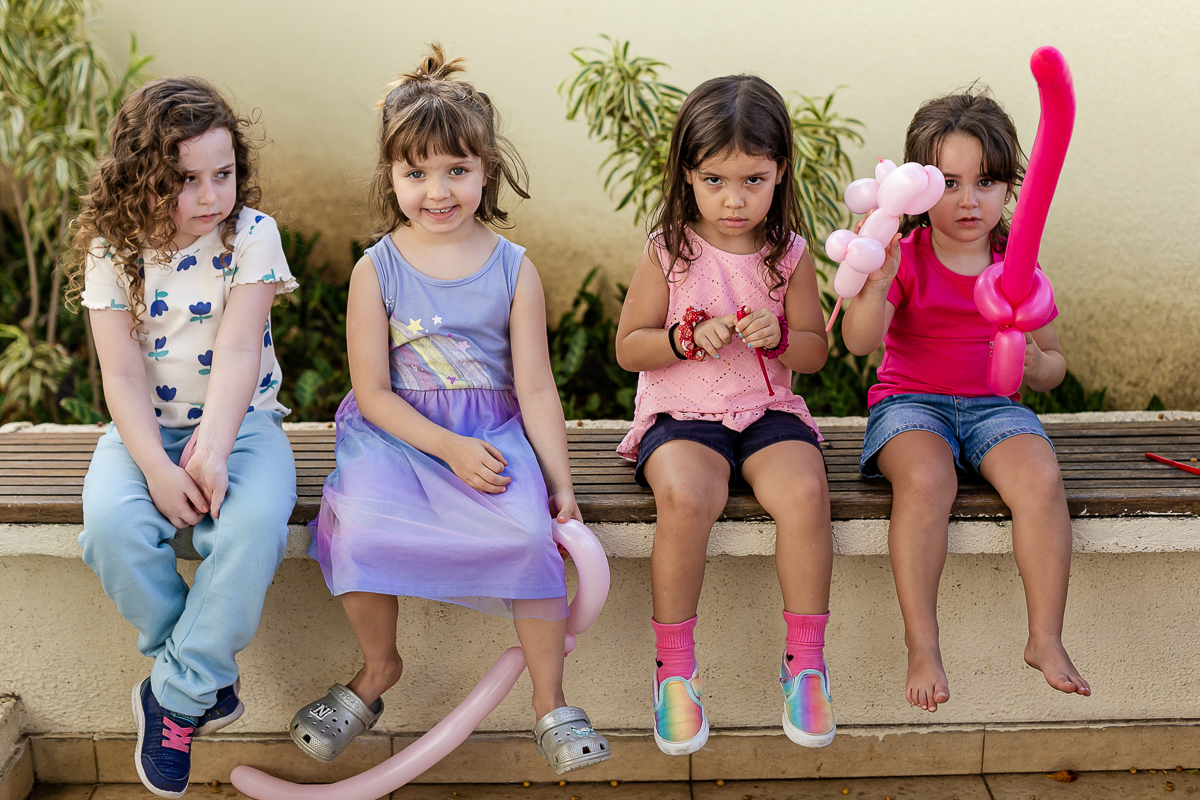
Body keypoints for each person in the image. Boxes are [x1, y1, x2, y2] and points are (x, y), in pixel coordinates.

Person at [293, 46, 610, 775]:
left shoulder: (514, 268)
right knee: (358, 526)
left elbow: (536, 388)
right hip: (397, 436)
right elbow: (373, 392)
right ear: (391, 176)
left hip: (491, 431)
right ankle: (378, 669)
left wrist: (560, 483)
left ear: (486, 170)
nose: (437, 192)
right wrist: (447, 449)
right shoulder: (375, 269)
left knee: (531, 535)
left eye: (456, 171)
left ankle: (551, 703)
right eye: (416, 174)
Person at [69, 77, 298, 798]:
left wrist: (215, 449)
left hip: (244, 424)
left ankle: (173, 695)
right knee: (111, 529)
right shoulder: (113, 250)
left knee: (252, 530)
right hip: (142, 430)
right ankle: (200, 678)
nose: (210, 196)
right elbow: (121, 374)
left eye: (223, 174)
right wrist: (157, 469)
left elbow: (238, 350)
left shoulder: (251, 235)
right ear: (141, 179)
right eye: (186, 180)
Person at [840, 90, 1091, 713]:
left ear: (1009, 187)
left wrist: (1038, 366)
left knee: (1041, 480)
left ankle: (1045, 637)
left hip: (994, 408)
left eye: (986, 182)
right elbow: (859, 343)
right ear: (918, 188)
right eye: (949, 183)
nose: (968, 200)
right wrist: (874, 283)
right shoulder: (906, 258)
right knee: (928, 481)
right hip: (911, 405)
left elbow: (1054, 365)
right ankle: (922, 643)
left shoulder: (1017, 267)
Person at [615, 75, 835, 755]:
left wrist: (782, 337)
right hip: (683, 416)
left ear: (781, 172)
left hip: (766, 410)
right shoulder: (668, 250)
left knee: (805, 492)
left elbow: (815, 351)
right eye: (714, 180)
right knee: (687, 498)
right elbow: (628, 346)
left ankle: (806, 664)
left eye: (752, 180)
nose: (733, 200)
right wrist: (681, 339)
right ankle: (674, 672)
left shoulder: (788, 255)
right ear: (688, 173)